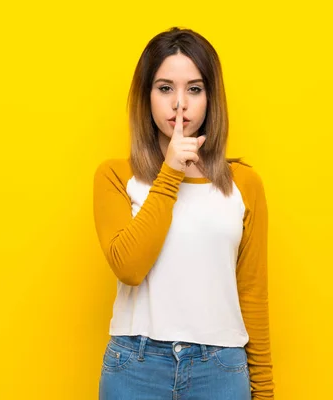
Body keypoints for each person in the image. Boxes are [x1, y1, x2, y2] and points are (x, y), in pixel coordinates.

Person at [93, 26, 275, 399]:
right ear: (146, 97)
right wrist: (171, 171)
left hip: (220, 370)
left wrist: (265, 390)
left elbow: (252, 294)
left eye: (194, 89)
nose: (180, 103)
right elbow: (129, 267)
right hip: (135, 368)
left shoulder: (244, 184)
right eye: (165, 88)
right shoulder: (115, 176)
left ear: (211, 98)